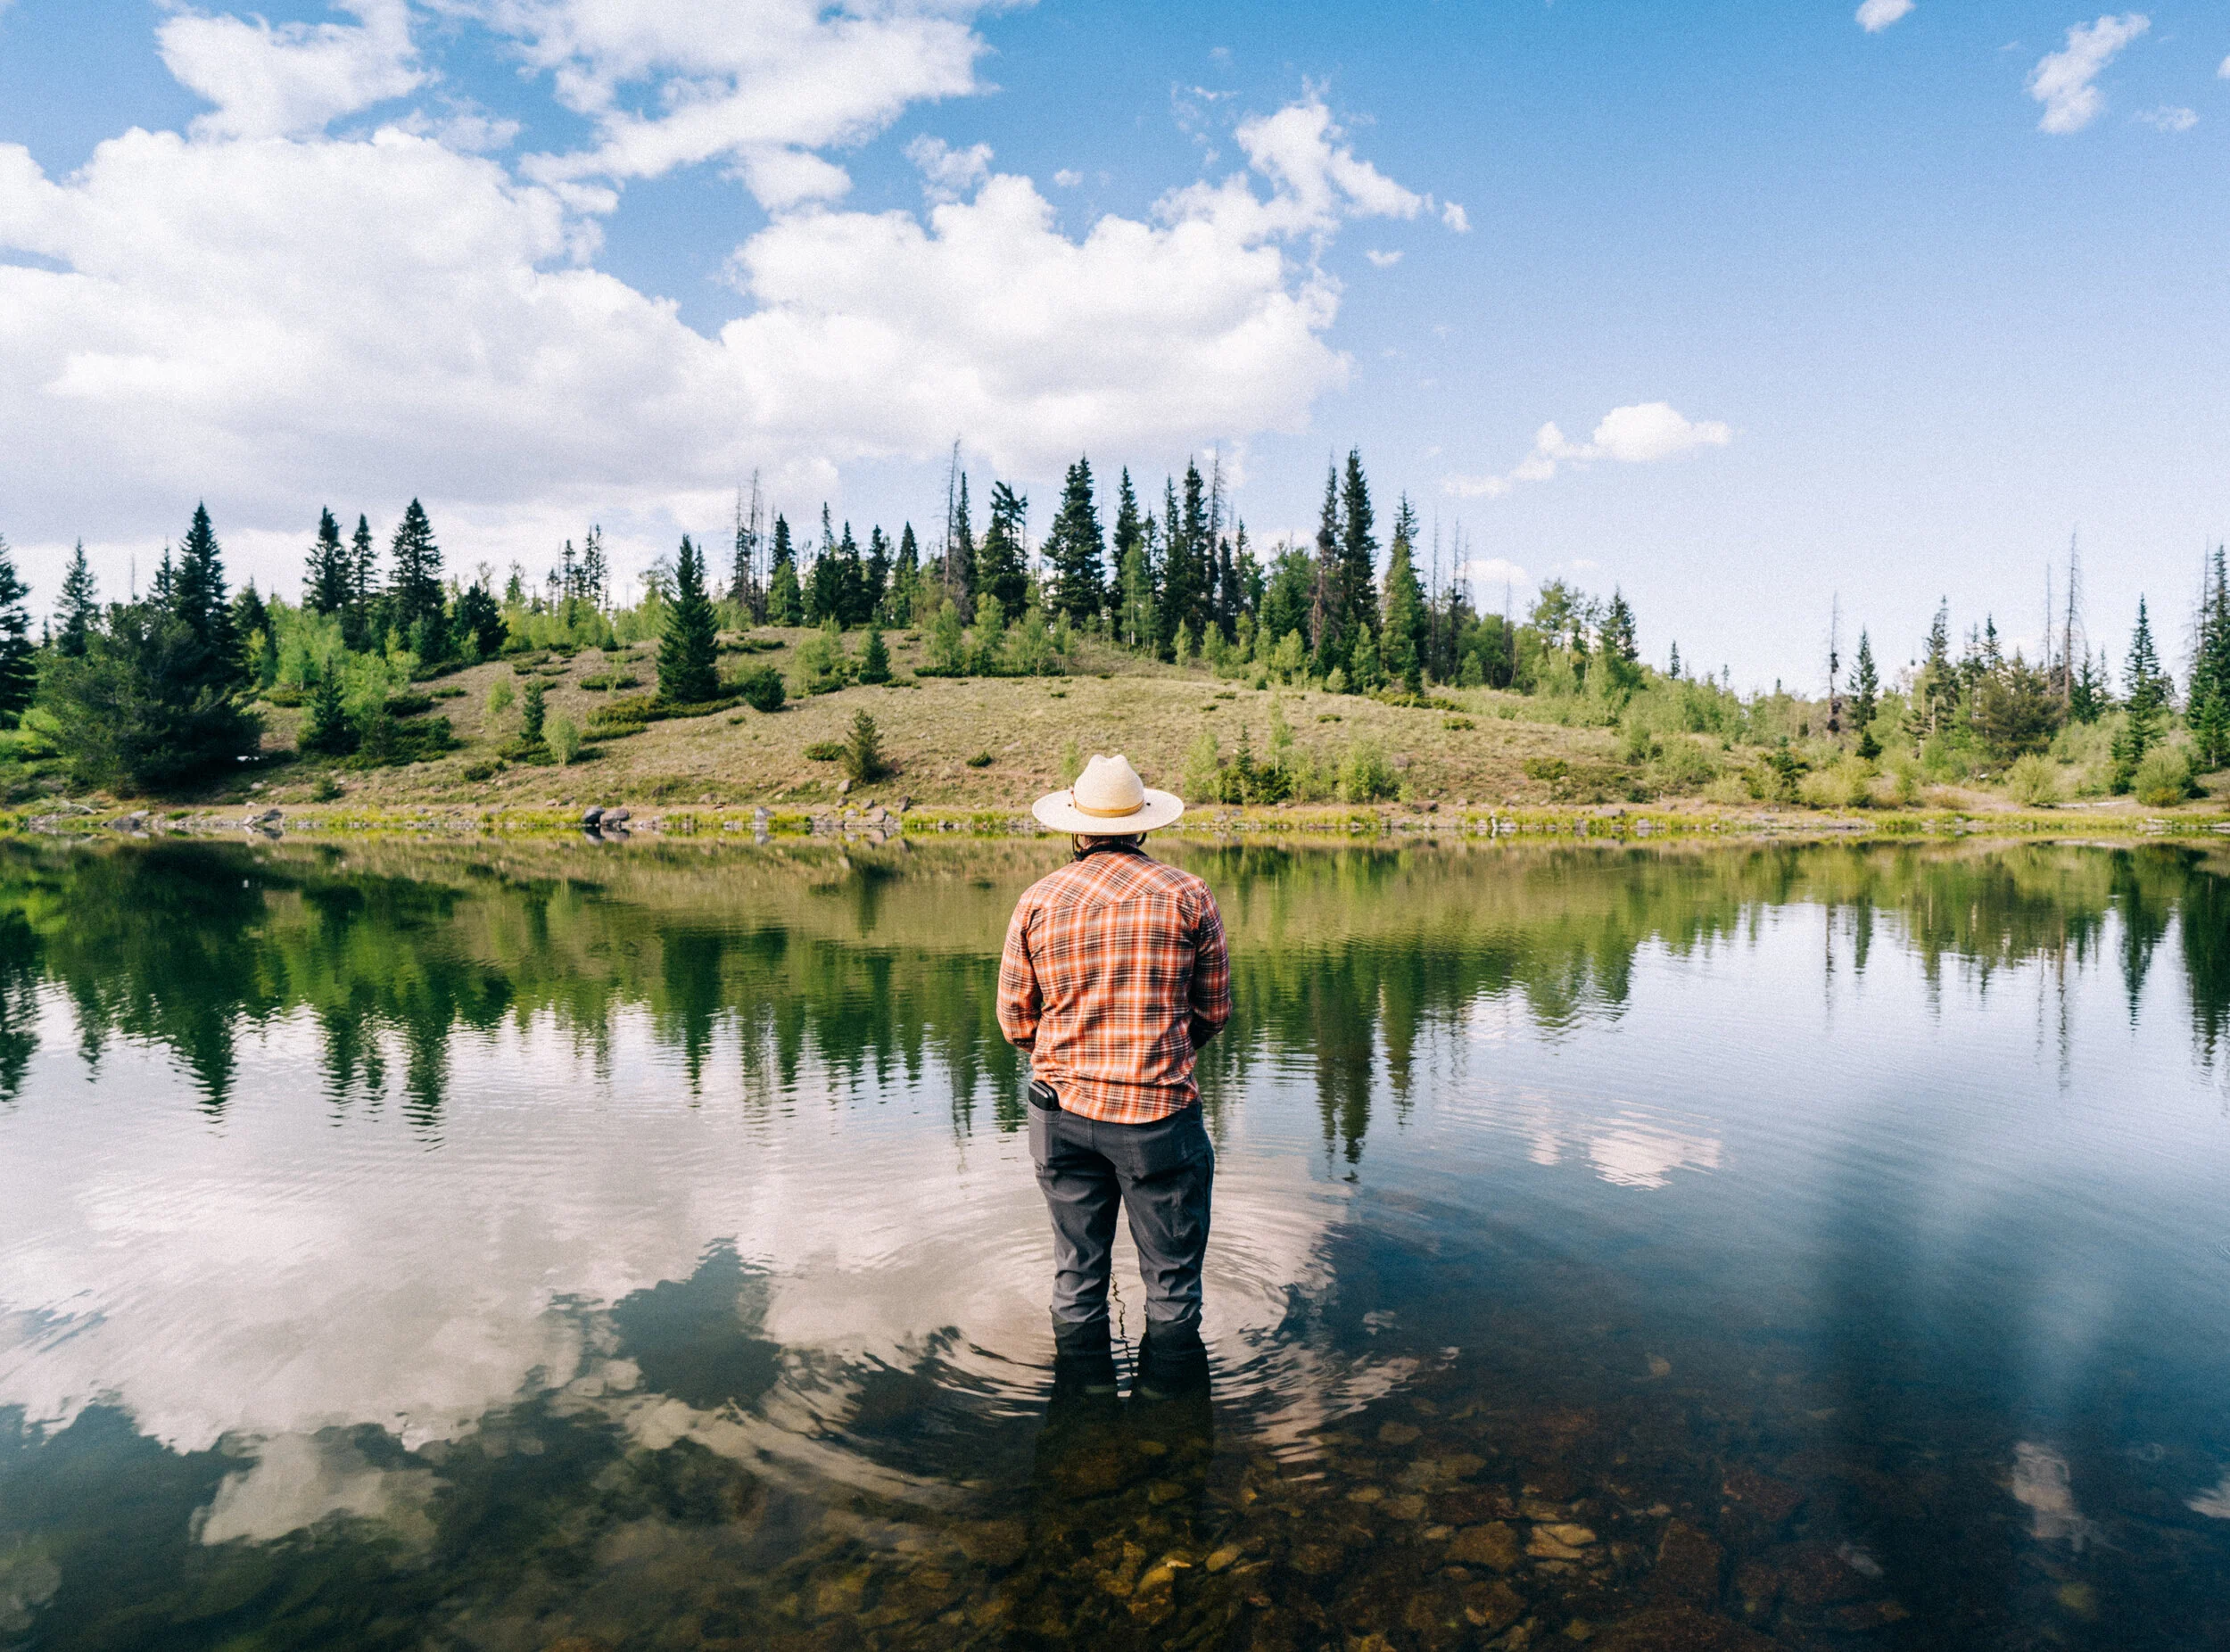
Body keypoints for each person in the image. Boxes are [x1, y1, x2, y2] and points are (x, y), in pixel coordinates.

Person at [996, 753, 1230, 1400]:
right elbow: (1213, 1011)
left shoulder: (1038, 901)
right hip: (1160, 1122)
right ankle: (1172, 1427)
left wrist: (1072, 1059)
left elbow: (1017, 1023)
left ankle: (1082, 1421)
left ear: (1076, 831)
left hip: (1061, 1117)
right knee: (1173, 1285)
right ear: (1144, 827)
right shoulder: (1190, 895)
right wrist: (1159, 1062)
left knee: (1076, 1278)